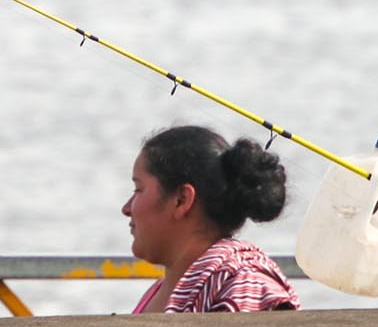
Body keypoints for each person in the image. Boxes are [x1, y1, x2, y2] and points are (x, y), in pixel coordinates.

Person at [123, 124, 300, 313]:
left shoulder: (243, 287)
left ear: (181, 200)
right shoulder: (161, 290)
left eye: (138, 189)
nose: (126, 208)